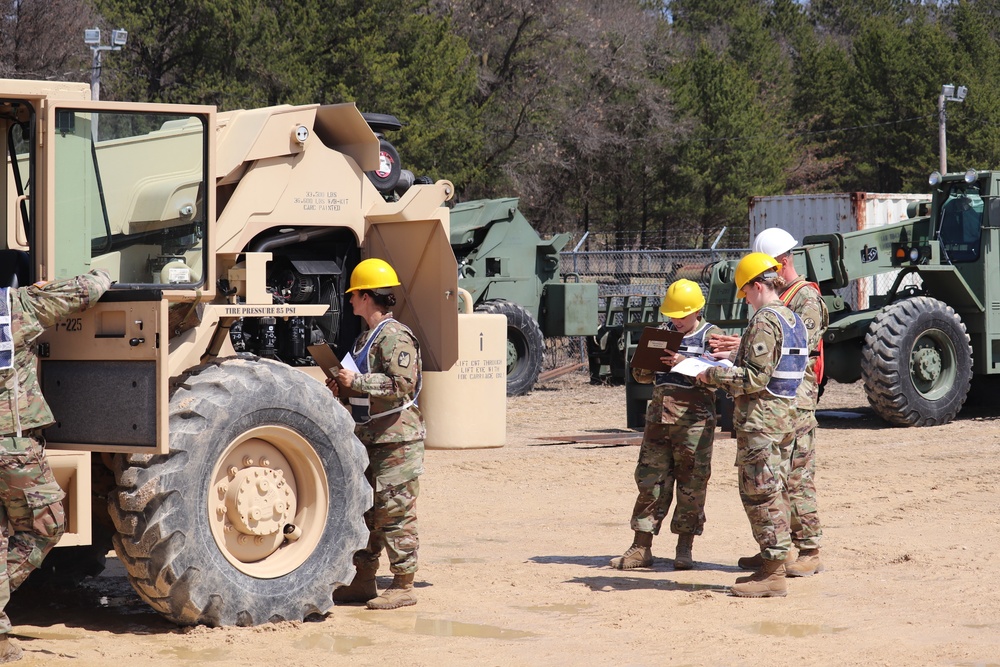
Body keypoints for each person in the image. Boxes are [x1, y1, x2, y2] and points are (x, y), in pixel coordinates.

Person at [0, 268, 112, 662]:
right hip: (12, 446)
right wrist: (105, 271)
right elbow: (89, 287)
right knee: (46, 523)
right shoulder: (17, 305)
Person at [711, 228, 829, 577]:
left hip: (794, 398)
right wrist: (741, 344)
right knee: (774, 476)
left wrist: (736, 356)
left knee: (795, 476)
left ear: (783, 261)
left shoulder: (805, 299)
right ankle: (779, 550)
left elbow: (795, 351)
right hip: (779, 397)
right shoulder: (781, 302)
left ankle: (808, 547)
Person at [695, 253, 806, 598]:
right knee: (777, 491)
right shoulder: (792, 318)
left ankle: (773, 574)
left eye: (745, 293)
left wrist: (712, 374)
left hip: (763, 422)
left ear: (758, 286)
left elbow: (756, 377)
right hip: (785, 416)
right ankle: (773, 560)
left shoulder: (764, 321)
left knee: (760, 494)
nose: (745, 299)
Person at [328, 258, 424, 610]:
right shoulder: (366, 338)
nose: (350, 301)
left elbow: (402, 384)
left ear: (367, 296)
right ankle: (363, 580)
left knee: (395, 510)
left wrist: (358, 381)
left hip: (398, 440)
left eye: (354, 295)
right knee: (369, 511)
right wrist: (342, 384)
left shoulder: (395, 335)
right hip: (372, 438)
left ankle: (403, 584)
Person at [610, 279, 722, 572]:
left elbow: (722, 375)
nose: (676, 321)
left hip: (694, 424)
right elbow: (644, 377)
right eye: (673, 315)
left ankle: (684, 547)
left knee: (691, 485)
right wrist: (647, 360)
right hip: (659, 420)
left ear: (698, 310)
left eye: (682, 316)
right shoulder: (663, 332)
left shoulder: (713, 337)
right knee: (650, 482)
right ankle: (641, 546)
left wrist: (684, 361)